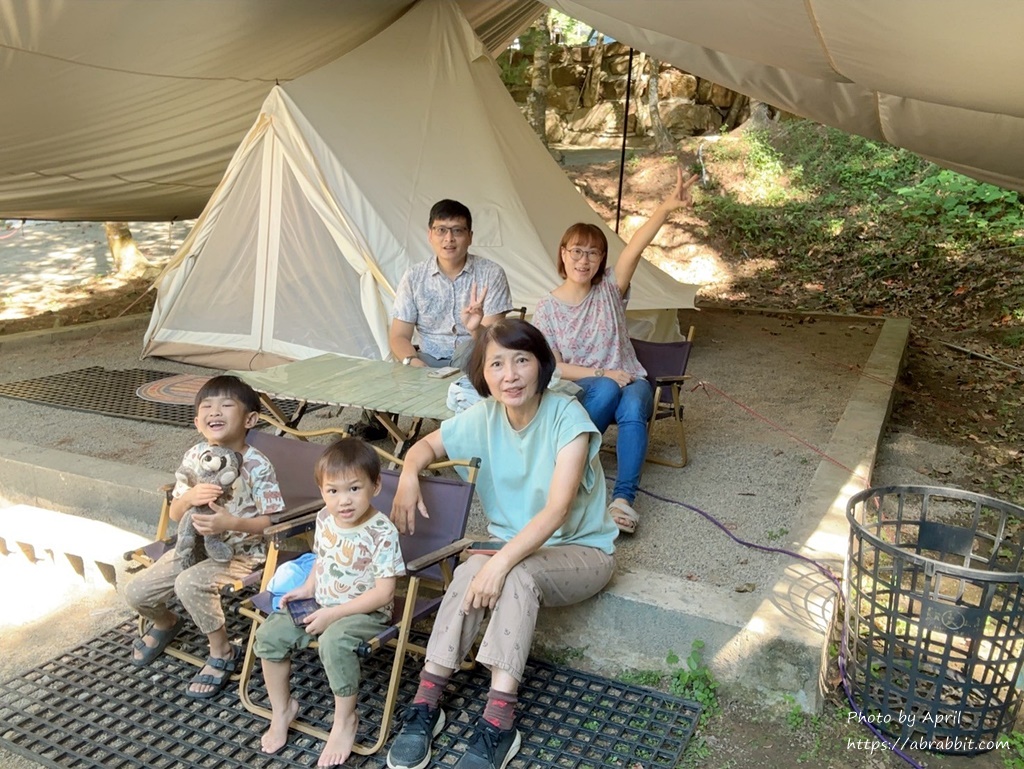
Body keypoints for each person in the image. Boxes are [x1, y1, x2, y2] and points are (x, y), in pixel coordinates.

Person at [386, 318, 617, 769]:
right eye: (497, 364)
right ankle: (427, 702)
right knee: (476, 568)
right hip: (512, 549)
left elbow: (556, 511)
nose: (509, 375)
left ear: (542, 365)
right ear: (483, 374)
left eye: (521, 360)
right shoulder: (484, 416)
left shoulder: (569, 417)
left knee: (511, 573)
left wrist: (500, 561)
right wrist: (409, 475)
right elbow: (422, 448)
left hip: (582, 551)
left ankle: (498, 721)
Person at [531, 169, 697, 535]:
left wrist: (666, 208)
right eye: (577, 251)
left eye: (593, 253)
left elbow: (636, 247)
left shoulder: (609, 288)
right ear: (563, 254)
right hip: (586, 389)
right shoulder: (547, 310)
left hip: (630, 378)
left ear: (602, 260)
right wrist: (604, 374)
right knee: (607, 389)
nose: (584, 260)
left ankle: (623, 501)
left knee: (635, 403)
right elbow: (553, 367)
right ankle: (568, 483)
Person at [123, 375, 285, 697]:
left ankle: (223, 651)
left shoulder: (257, 465)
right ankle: (168, 622)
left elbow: (272, 521)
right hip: (192, 548)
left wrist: (232, 523)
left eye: (226, 405)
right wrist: (189, 497)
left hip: (242, 554)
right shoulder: (195, 457)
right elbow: (175, 514)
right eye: (207, 407)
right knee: (136, 591)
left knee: (188, 583)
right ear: (198, 422)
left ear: (250, 419)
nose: (216, 411)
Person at [254, 438, 404, 766]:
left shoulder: (382, 532)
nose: (343, 501)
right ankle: (282, 710)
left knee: (333, 643)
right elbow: (322, 559)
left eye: (354, 489)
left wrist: (332, 614)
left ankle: (345, 720)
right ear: (322, 491)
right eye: (332, 491)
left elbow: (384, 593)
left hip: (366, 612)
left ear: (375, 486)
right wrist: (308, 588)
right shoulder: (324, 518)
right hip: (322, 603)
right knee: (269, 634)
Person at [389, 198, 514, 369]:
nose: (449, 239)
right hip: (427, 360)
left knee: (468, 352)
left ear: (470, 237)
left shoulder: (491, 274)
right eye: (441, 230)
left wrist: (475, 329)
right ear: (430, 235)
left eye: (457, 231)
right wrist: (414, 362)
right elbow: (399, 336)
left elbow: (492, 340)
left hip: (476, 361)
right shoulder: (414, 276)